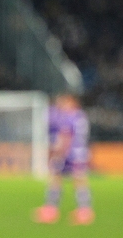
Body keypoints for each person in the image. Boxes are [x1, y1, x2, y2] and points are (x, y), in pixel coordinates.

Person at [34, 93, 94, 225]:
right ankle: (83, 210)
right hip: (79, 152)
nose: (61, 105)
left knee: (62, 179)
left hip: (70, 153)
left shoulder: (70, 117)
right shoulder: (80, 116)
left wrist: (58, 153)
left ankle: (53, 210)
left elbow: (66, 137)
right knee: (74, 179)